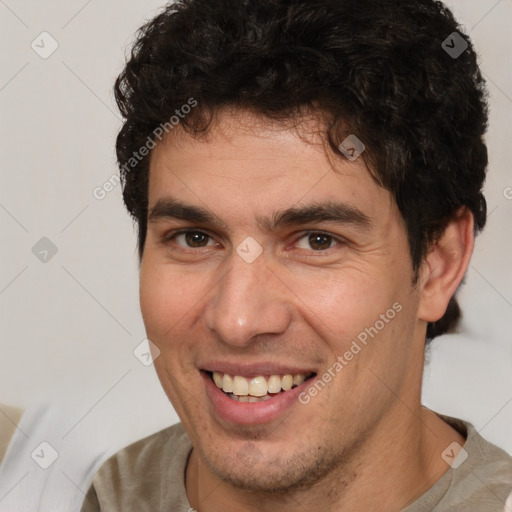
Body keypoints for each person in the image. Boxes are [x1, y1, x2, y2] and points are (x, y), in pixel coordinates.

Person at [81, 0, 512, 510]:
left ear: (439, 264)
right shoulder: (112, 493)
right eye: (195, 238)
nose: (237, 320)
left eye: (317, 240)